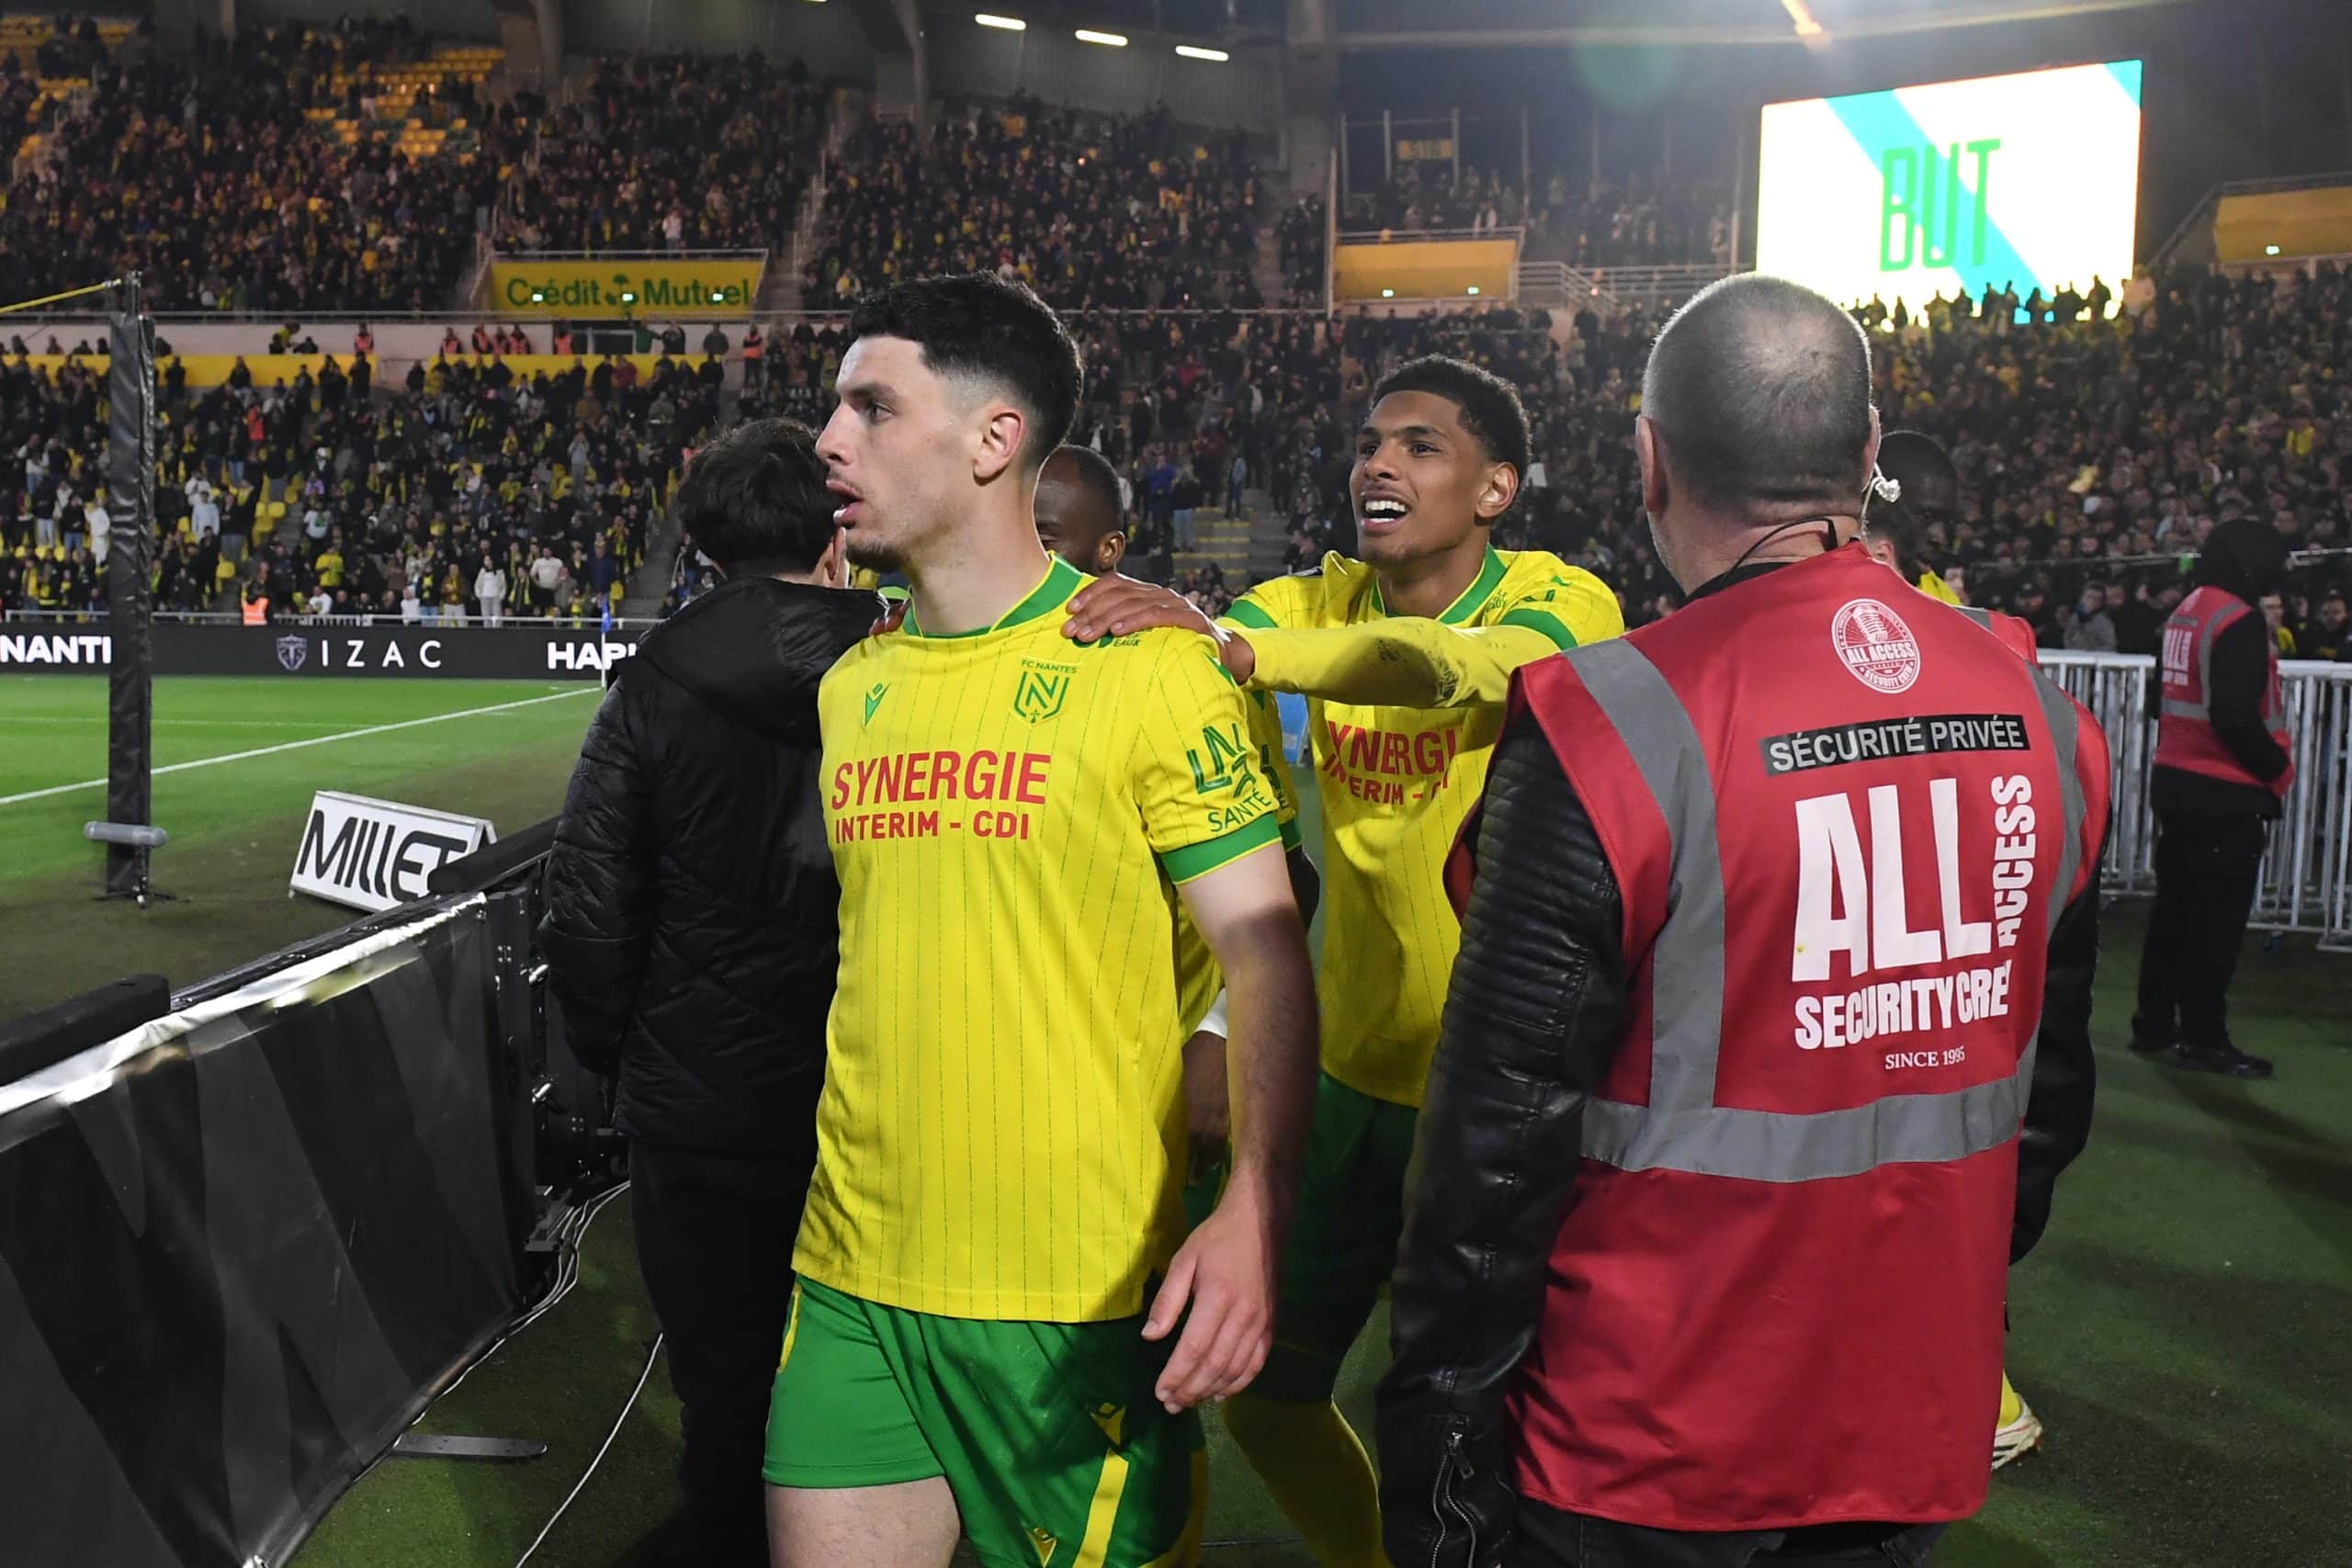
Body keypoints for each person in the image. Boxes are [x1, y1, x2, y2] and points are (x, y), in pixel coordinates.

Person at [1377, 275, 2111, 1568]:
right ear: (1869, 455)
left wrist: (1438, 1472)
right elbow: (2046, 1097)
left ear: (1649, 460)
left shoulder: (1604, 722)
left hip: (1637, 1448)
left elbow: (1491, 1146)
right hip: (1907, 1424)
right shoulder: (2042, 711)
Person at [767, 274, 1319, 1568]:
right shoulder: (854, 686)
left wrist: (1255, 1201)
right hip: (853, 1273)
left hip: (1075, 1300)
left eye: (872, 405)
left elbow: (1266, 948)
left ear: (992, 439)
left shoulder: (1151, 673)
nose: (829, 440)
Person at [1063, 355, 1623, 1567]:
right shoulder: (1302, 602)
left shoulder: (1563, 602)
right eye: (1371, 441)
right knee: (1269, 1390)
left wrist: (1240, 648)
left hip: (1516, 1100)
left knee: (1509, 1419)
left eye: (1421, 445)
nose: (1379, 462)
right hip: (1350, 1082)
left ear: (1495, 488)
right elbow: (1202, 654)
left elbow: (1448, 669)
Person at [538, 417, 880, 1568]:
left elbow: (587, 900)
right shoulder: (900, 663)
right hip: (874, 1089)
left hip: (699, 1097)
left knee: (725, 1382)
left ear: (702, 542)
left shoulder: (655, 683)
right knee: (872, 1370)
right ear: (835, 529)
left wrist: (614, 1057)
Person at [2132, 518, 2295, 1077]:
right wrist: (2276, 770)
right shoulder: (2239, 620)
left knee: (2173, 911)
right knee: (2214, 924)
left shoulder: (2188, 608)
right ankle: (2203, 1037)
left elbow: (2161, 700)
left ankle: (2153, 1024)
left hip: (2174, 779)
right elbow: (2235, 717)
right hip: (2226, 791)